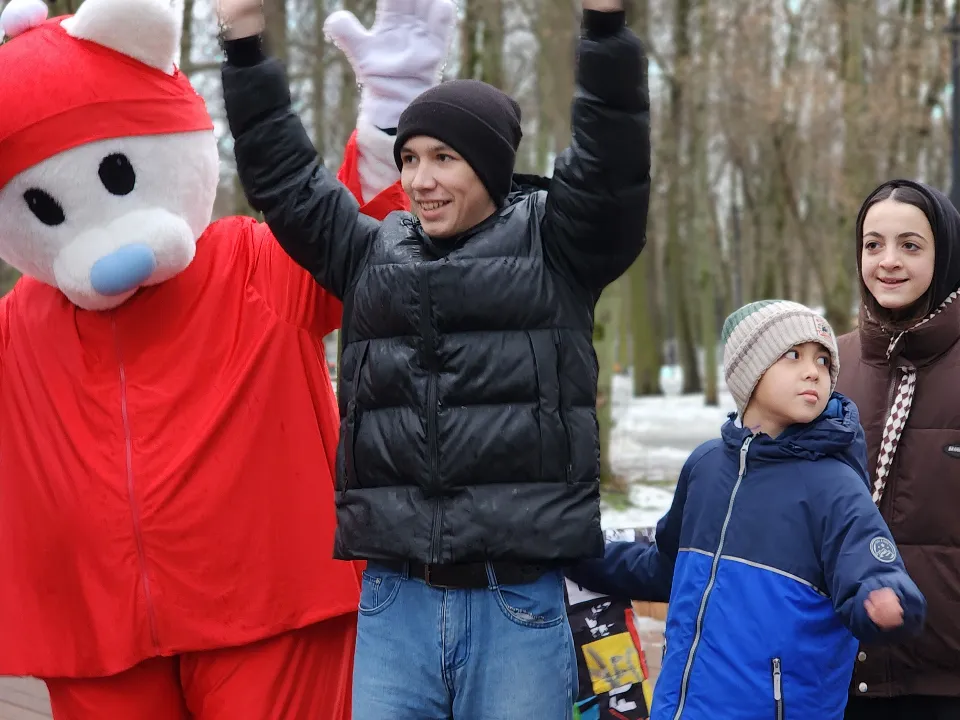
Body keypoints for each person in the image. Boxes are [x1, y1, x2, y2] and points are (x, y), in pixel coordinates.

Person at [215, 0, 650, 716]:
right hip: (395, 602)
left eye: (444, 158)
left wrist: (604, 31)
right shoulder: (369, 253)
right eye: (411, 158)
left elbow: (612, 161)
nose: (420, 180)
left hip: (516, 600)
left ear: (490, 166)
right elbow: (284, 178)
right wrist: (242, 48)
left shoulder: (558, 246)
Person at [0, 0, 418, 716]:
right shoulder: (19, 326)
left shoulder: (251, 259)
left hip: (270, 609)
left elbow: (364, 248)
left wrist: (389, 124)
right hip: (94, 631)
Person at [567, 300, 926, 720]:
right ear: (748, 370)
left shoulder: (835, 485)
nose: (814, 371)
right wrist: (577, 554)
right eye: (792, 355)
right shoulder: (704, 467)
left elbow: (870, 566)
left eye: (824, 360)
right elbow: (665, 567)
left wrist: (886, 599)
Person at [837, 180, 960, 720]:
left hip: (945, 679)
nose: (887, 261)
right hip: (838, 669)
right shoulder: (825, 366)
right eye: (873, 244)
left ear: (946, 253)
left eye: (910, 245)